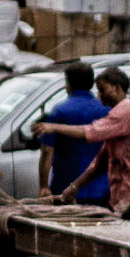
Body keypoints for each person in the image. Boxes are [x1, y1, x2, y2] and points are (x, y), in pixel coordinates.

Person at [34, 66, 130, 221]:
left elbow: (91, 132)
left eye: (103, 90)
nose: (99, 95)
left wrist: (54, 127)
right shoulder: (115, 115)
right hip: (120, 196)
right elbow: (100, 163)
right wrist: (74, 187)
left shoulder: (124, 113)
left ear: (117, 89)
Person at [37, 61, 110, 207]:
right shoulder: (106, 110)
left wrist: (44, 186)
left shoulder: (59, 111)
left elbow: (47, 151)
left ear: (68, 83)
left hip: (66, 186)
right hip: (102, 188)